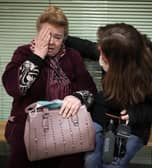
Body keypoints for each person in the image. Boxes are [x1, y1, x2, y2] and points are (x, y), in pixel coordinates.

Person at [2, 6, 97, 168]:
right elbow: (14, 88)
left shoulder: (72, 56)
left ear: (64, 39)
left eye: (57, 37)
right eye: (47, 35)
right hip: (28, 125)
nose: (51, 42)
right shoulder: (23, 53)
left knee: (72, 161)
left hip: (65, 126)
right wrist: (37, 56)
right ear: (38, 33)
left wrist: (77, 97)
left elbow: (90, 90)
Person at [81, 23, 152, 168]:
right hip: (104, 113)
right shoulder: (113, 49)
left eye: (104, 57)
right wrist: (60, 38)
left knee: (114, 165)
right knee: (90, 160)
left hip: (133, 124)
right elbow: (87, 47)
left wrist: (137, 114)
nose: (100, 57)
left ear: (120, 64)